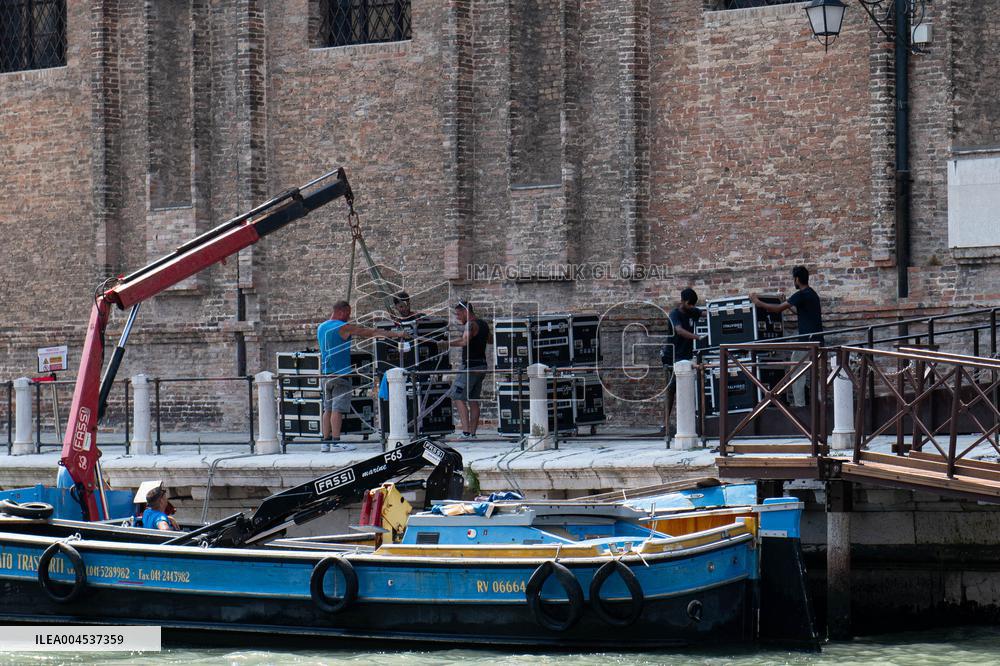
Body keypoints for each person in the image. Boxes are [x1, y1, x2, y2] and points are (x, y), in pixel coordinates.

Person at [318, 300, 407, 452]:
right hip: (340, 374)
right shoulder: (343, 327)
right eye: (348, 313)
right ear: (341, 311)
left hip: (325, 374)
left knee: (327, 409)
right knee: (337, 409)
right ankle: (337, 442)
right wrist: (397, 334)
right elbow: (372, 333)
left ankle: (325, 443)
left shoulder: (321, 327)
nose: (349, 316)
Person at [751, 265, 824, 408]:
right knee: (817, 374)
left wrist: (758, 302)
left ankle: (800, 406)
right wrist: (789, 304)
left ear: (797, 279)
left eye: (793, 279)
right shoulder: (812, 294)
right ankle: (821, 405)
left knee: (796, 373)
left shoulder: (801, 295)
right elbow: (802, 313)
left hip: (806, 342)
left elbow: (777, 309)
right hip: (818, 340)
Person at [662, 288, 706, 442]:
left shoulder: (692, 311)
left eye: (694, 305)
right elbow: (679, 330)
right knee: (672, 389)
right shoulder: (675, 314)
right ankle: (666, 424)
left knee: (687, 388)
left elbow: (704, 314)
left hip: (686, 356)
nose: (692, 307)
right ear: (683, 302)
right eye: (690, 304)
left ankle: (690, 423)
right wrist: (697, 337)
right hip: (672, 356)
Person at [449, 300, 490, 440]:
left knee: (457, 396)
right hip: (482, 366)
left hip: (470, 367)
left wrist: (445, 343)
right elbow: (490, 340)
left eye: (459, 314)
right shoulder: (484, 324)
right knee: (473, 400)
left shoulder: (470, 324)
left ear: (466, 311)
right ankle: (472, 434)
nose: (457, 317)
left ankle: (466, 433)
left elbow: (464, 341)